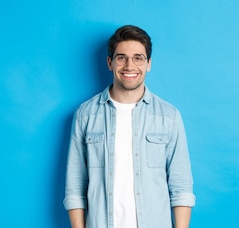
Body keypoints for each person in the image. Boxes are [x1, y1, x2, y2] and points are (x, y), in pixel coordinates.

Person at [63, 25, 195, 228]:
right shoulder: (85, 115)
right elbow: (75, 186)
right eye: (121, 57)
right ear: (110, 62)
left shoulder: (169, 116)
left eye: (138, 58)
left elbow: (181, 187)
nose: (129, 66)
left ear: (148, 63)